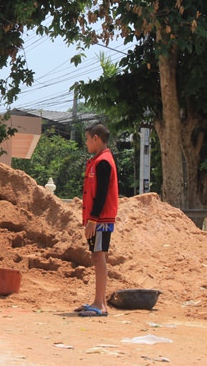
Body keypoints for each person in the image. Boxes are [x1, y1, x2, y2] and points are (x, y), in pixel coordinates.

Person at [75, 123, 119, 317]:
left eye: (87, 139)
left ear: (96, 138)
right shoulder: (98, 160)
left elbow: (101, 193)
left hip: (100, 220)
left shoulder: (103, 162)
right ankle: (97, 301)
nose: (86, 143)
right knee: (96, 255)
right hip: (97, 219)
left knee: (98, 256)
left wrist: (93, 220)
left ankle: (100, 304)